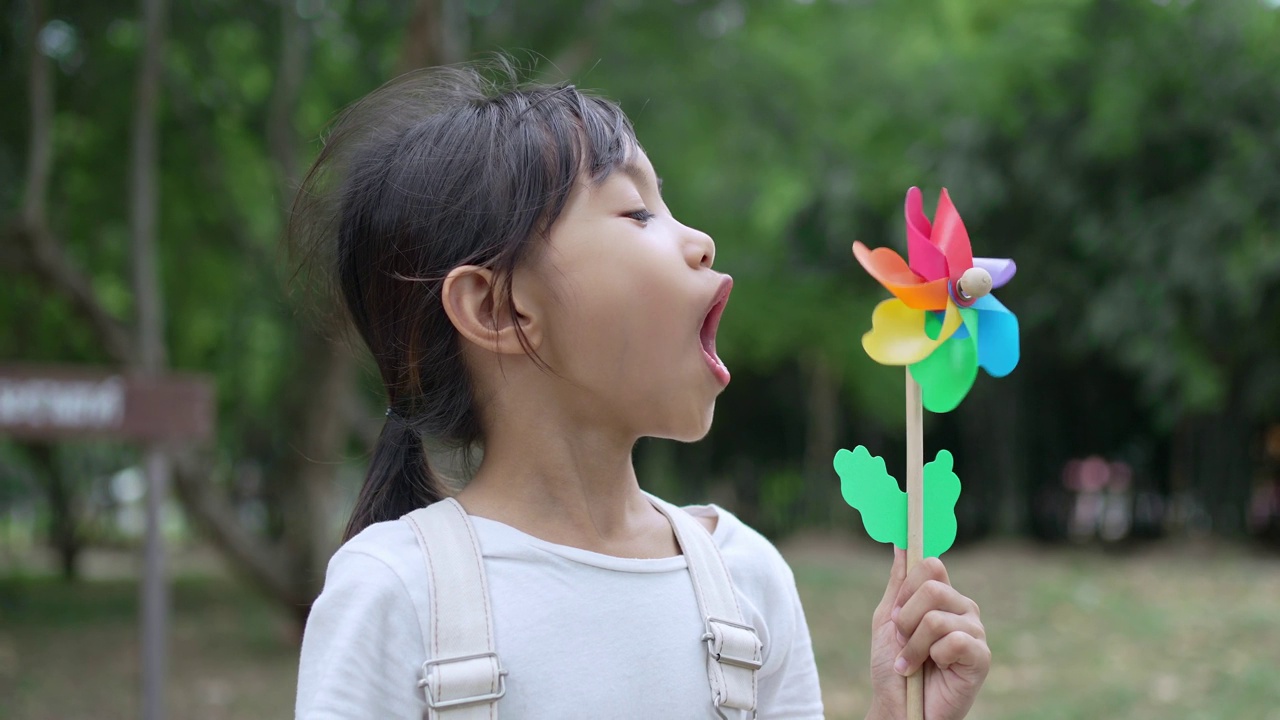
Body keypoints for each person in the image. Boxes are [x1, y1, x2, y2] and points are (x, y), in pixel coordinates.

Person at [291, 62, 990, 720]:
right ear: (497, 309)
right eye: (636, 213)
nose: (703, 242)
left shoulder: (747, 579)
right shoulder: (396, 593)